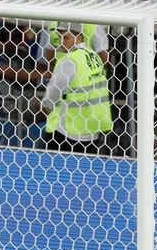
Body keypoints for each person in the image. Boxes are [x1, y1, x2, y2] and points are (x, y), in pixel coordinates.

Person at [41, 21, 113, 154]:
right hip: (92, 129)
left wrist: (46, 106)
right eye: (60, 37)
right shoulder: (94, 56)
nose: (62, 42)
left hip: (68, 130)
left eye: (66, 37)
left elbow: (53, 93)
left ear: (79, 36)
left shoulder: (69, 61)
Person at [41, 0, 109, 67]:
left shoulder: (54, 22)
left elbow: (49, 54)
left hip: (61, 73)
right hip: (85, 78)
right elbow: (104, 57)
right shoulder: (94, 23)